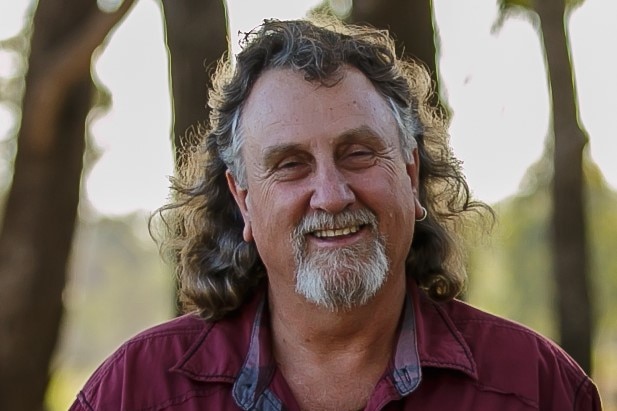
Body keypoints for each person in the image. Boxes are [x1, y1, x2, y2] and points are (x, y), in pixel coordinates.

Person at [70, 18, 602, 411]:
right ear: (243, 200)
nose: (331, 194)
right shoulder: (134, 394)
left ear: (410, 175)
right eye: (290, 164)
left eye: (358, 153)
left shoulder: (535, 390)